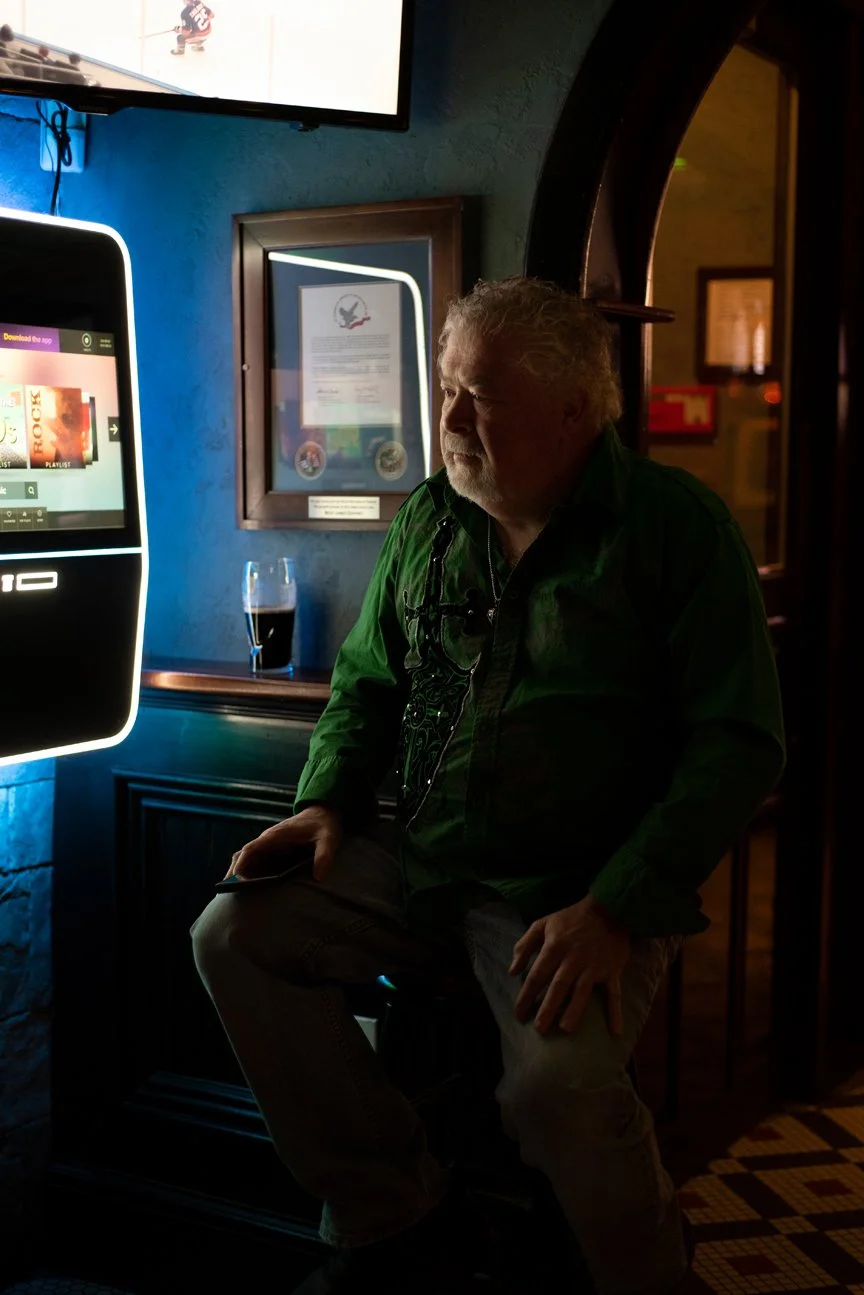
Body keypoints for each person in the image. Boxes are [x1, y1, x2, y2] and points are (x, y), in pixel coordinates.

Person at [191, 277, 785, 1295]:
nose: (451, 418)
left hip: (577, 888)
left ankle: (651, 1275)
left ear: (573, 411)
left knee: (558, 1088)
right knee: (234, 935)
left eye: (482, 398)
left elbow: (737, 745)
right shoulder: (429, 517)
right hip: (421, 859)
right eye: (448, 388)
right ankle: (395, 1214)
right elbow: (367, 686)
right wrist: (325, 801)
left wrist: (615, 906)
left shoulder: (671, 529)